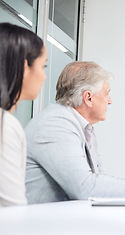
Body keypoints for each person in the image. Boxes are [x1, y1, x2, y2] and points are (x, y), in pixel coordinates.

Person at [25, 61, 125, 204]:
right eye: (106, 93)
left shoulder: (82, 128)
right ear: (88, 98)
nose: (110, 101)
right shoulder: (55, 124)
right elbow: (85, 188)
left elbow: (100, 184)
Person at [0, 23, 47, 207]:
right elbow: (11, 209)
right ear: (24, 67)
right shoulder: (5, 126)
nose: (44, 76)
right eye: (43, 66)